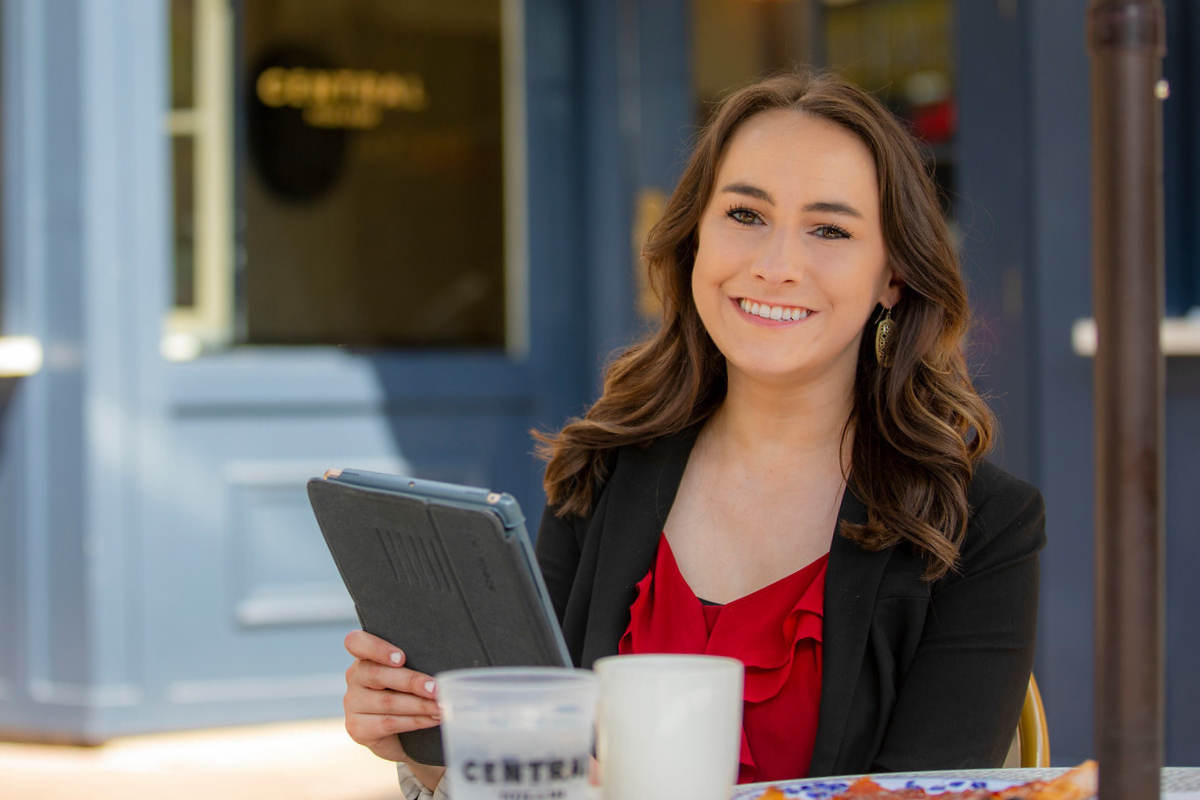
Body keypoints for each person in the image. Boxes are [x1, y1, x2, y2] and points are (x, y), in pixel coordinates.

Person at [342, 70, 1045, 797]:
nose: (775, 266)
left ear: (892, 276)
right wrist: (431, 748)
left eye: (830, 229)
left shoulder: (979, 528)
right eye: (746, 215)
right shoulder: (602, 469)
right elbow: (524, 768)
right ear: (696, 240)